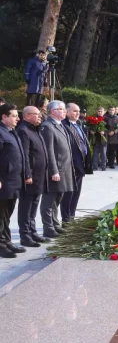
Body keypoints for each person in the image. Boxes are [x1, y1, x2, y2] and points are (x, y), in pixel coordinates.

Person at [16, 105, 48, 247]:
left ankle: (32, 231)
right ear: (27, 116)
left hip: (39, 175)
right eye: (36, 114)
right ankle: (25, 235)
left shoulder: (35, 129)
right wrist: (27, 174)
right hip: (30, 176)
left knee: (34, 204)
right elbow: (24, 155)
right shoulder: (23, 131)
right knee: (26, 205)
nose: (39, 116)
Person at [39, 100, 72, 238]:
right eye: (61, 109)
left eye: (64, 109)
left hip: (64, 169)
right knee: (49, 200)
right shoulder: (48, 126)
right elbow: (49, 151)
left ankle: (55, 224)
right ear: (52, 111)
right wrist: (54, 171)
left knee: (57, 198)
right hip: (56, 170)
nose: (64, 111)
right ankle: (48, 227)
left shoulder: (59, 125)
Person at [0, 104, 27, 257]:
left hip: (14, 180)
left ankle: (7, 241)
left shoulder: (11, 132)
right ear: (4, 117)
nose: (18, 118)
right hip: (4, 182)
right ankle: (1, 244)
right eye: (14, 116)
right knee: (1, 214)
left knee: (7, 214)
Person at [61, 103, 89, 224]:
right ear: (66, 112)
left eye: (78, 111)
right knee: (69, 193)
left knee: (76, 193)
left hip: (80, 164)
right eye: (74, 111)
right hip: (71, 165)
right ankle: (66, 219)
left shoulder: (78, 124)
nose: (78, 113)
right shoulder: (64, 125)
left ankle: (71, 216)